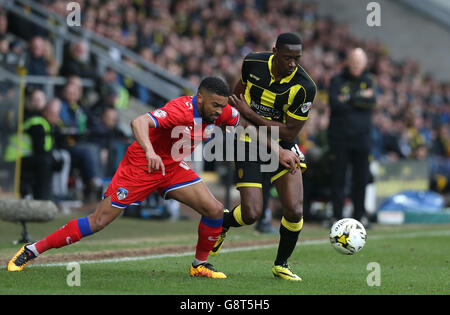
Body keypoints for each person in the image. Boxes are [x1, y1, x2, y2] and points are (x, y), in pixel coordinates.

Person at [7, 76, 242, 279]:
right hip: (142, 164)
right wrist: (150, 151)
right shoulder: (179, 109)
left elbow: (241, 122)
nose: (219, 111)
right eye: (215, 105)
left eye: (222, 106)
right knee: (99, 221)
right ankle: (33, 249)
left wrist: (272, 146)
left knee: (214, 210)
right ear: (200, 98)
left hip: (172, 167)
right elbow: (138, 121)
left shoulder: (221, 112)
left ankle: (199, 265)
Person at [211, 33, 317, 281]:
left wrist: (252, 114)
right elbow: (238, 93)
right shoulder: (253, 63)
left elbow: (290, 130)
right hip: (248, 140)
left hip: (284, 143)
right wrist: (231, 114)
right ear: (274, 51)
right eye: (287, 57)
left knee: (294, 209)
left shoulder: (305, 87)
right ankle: (223, 222)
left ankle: (282, 264)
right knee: (251, 213)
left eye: (297, 58)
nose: (292, 63)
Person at [327, 47, 376, 227]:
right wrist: (359, 98)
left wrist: (348, 98)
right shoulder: (336, 80)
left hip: (362, 139)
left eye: (359, 63)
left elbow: (370, 102)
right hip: (339, 138)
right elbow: (335, 104)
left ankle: (359, 215)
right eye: (354, 62)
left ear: (364, 64)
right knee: (338, 178)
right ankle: (336, 215)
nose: (356, 66)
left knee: (361, 179)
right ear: (348, 62)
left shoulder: (369, 80)